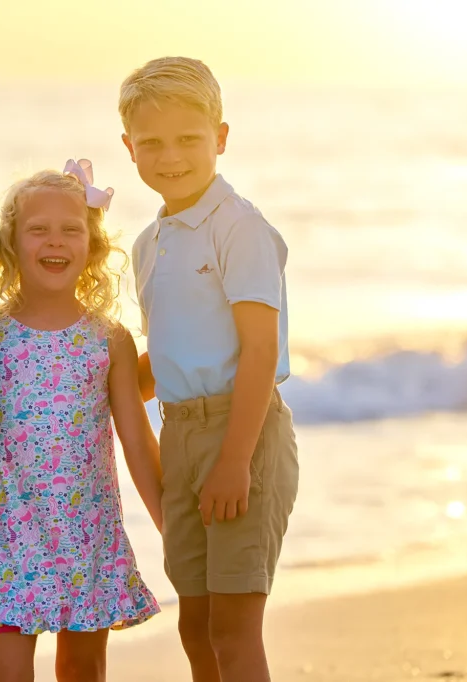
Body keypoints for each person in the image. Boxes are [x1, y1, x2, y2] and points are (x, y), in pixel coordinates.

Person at [119, 56, 300, 682]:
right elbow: (169, 351)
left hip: (241, 431)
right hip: (181, 438)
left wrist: (233, 460)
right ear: (129, 149)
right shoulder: (149, 243)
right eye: (152, 143)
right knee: (195, 626)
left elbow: (260, 351)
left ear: (220, 137)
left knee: (232, 627)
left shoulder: (239, 228)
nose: (171, 156)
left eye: (189, 139)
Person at [0, 160, 162, 682]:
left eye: (71, 229)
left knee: (83, 669)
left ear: (91, 244)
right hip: (9, 537)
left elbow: (136, 440)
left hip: (87, 537)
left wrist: (169, 524)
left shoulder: (108, 339)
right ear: (10, 244)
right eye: (38, 229)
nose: (56, 241)